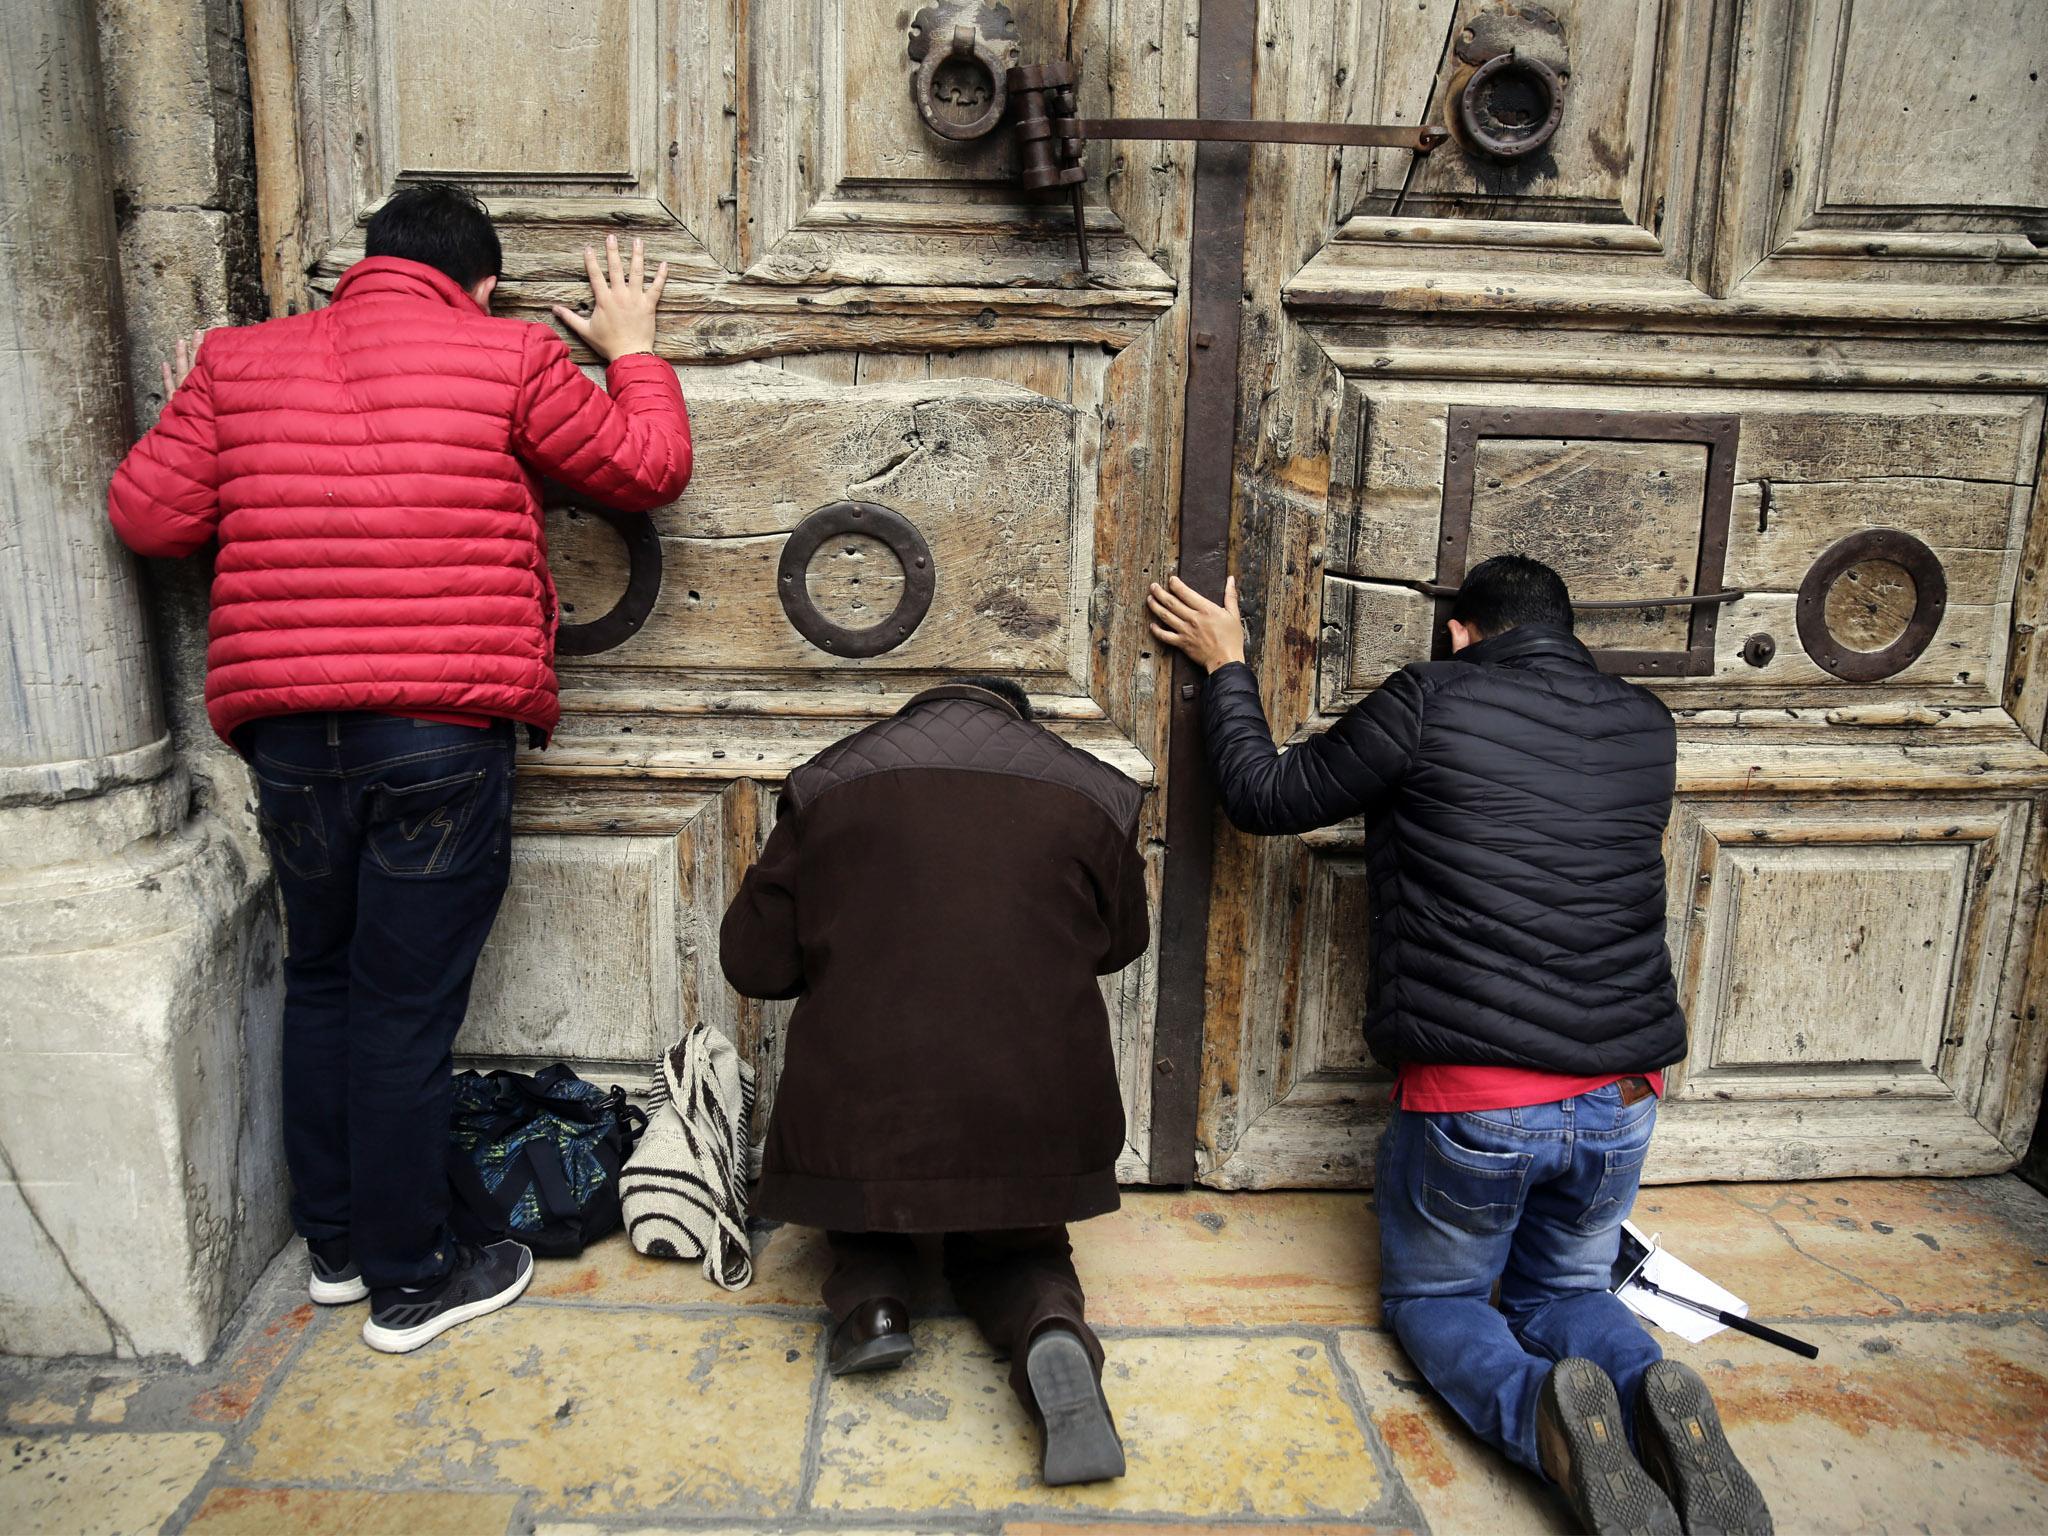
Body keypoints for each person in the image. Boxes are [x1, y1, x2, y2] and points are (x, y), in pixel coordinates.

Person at [106, 183, 693, 1354]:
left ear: (361, 267)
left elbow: (149, 520)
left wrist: (190, 408)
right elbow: (646, 467)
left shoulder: (235, 364)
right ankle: (414, 1277)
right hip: (435, 734)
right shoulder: (509, 355)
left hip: (288, 742)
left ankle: (333, 1249)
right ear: (478, 285)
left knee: (322, 981)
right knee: (405, 1008)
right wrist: (631, 353)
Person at [1147, 557, 1770, 1536]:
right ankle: (1654, 1400)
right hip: (1623, 1096)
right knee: (1562, 1285)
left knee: (1438, 1298)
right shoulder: (1645, 722)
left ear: (1457, 633)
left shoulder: (1425, 701)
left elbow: (1262, 797)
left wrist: (1227, 662)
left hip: (1478, 1101)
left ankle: (1547, 1426)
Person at [719, 676, 1147, 1486]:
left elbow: (753, 962)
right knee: (1021, 1241)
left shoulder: (826, 782)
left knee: (866, 1214)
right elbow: (1120, 943)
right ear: (1017, 719)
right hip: (1039, 1123)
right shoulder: (1095, 789)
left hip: (864, 1121)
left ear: (912, 714)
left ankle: (873, 1301)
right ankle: (1047, 1328)